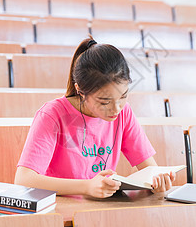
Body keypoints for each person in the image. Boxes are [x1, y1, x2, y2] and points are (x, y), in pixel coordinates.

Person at [14, 36, 175, 198]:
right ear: (80, 90)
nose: (116, 108)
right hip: (60, 207)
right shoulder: (52, 115)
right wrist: (86, 186)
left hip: (103, 208)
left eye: (123, 96)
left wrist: (157, 182)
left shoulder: (124, 112)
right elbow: (24, 180)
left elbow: (149, 169)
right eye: (104, 102)